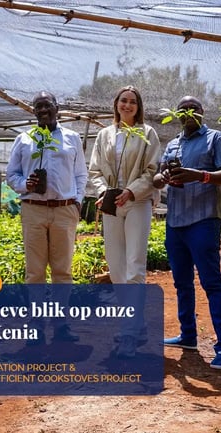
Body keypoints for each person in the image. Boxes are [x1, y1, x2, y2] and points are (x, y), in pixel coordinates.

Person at [153, 96, 221, 369]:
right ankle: (188, 335)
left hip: (203, 219)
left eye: (194, 109)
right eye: (183, 110)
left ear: (202, 112)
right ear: (176, 114)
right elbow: (158, 175)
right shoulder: (173, 143)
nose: (188, 113)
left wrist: (200, 175)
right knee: (182, 283)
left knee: (211, 282)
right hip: (176, 222)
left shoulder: (216, 139)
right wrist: (163, 178)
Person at [6, 91, 87, 342]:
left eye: (47, 105)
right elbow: (12, 175)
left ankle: (61, 324)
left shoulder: (72, 138)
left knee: (62, 270)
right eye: (38, 106)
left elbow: (80, 175)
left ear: (57, 108)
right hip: (33, 209)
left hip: (64, 210)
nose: (42, 110)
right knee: (35, 271)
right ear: (33, 111)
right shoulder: (25, 139)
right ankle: (37, 324)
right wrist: (26, 185)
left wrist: (77, 202)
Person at [88, 86, 161, 357]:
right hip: (111, 205)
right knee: (116, 266)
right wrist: (102, 192)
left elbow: (153, 170)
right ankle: (135, 322)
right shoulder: (105, 135)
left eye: (132, 102)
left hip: (137, 203)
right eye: (123, 100)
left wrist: (131, 191)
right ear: (116, 104)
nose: (127, 105)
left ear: (138, 107)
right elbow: (95, 170)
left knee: (134, 266)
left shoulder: (147, 133)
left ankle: (129, 332)